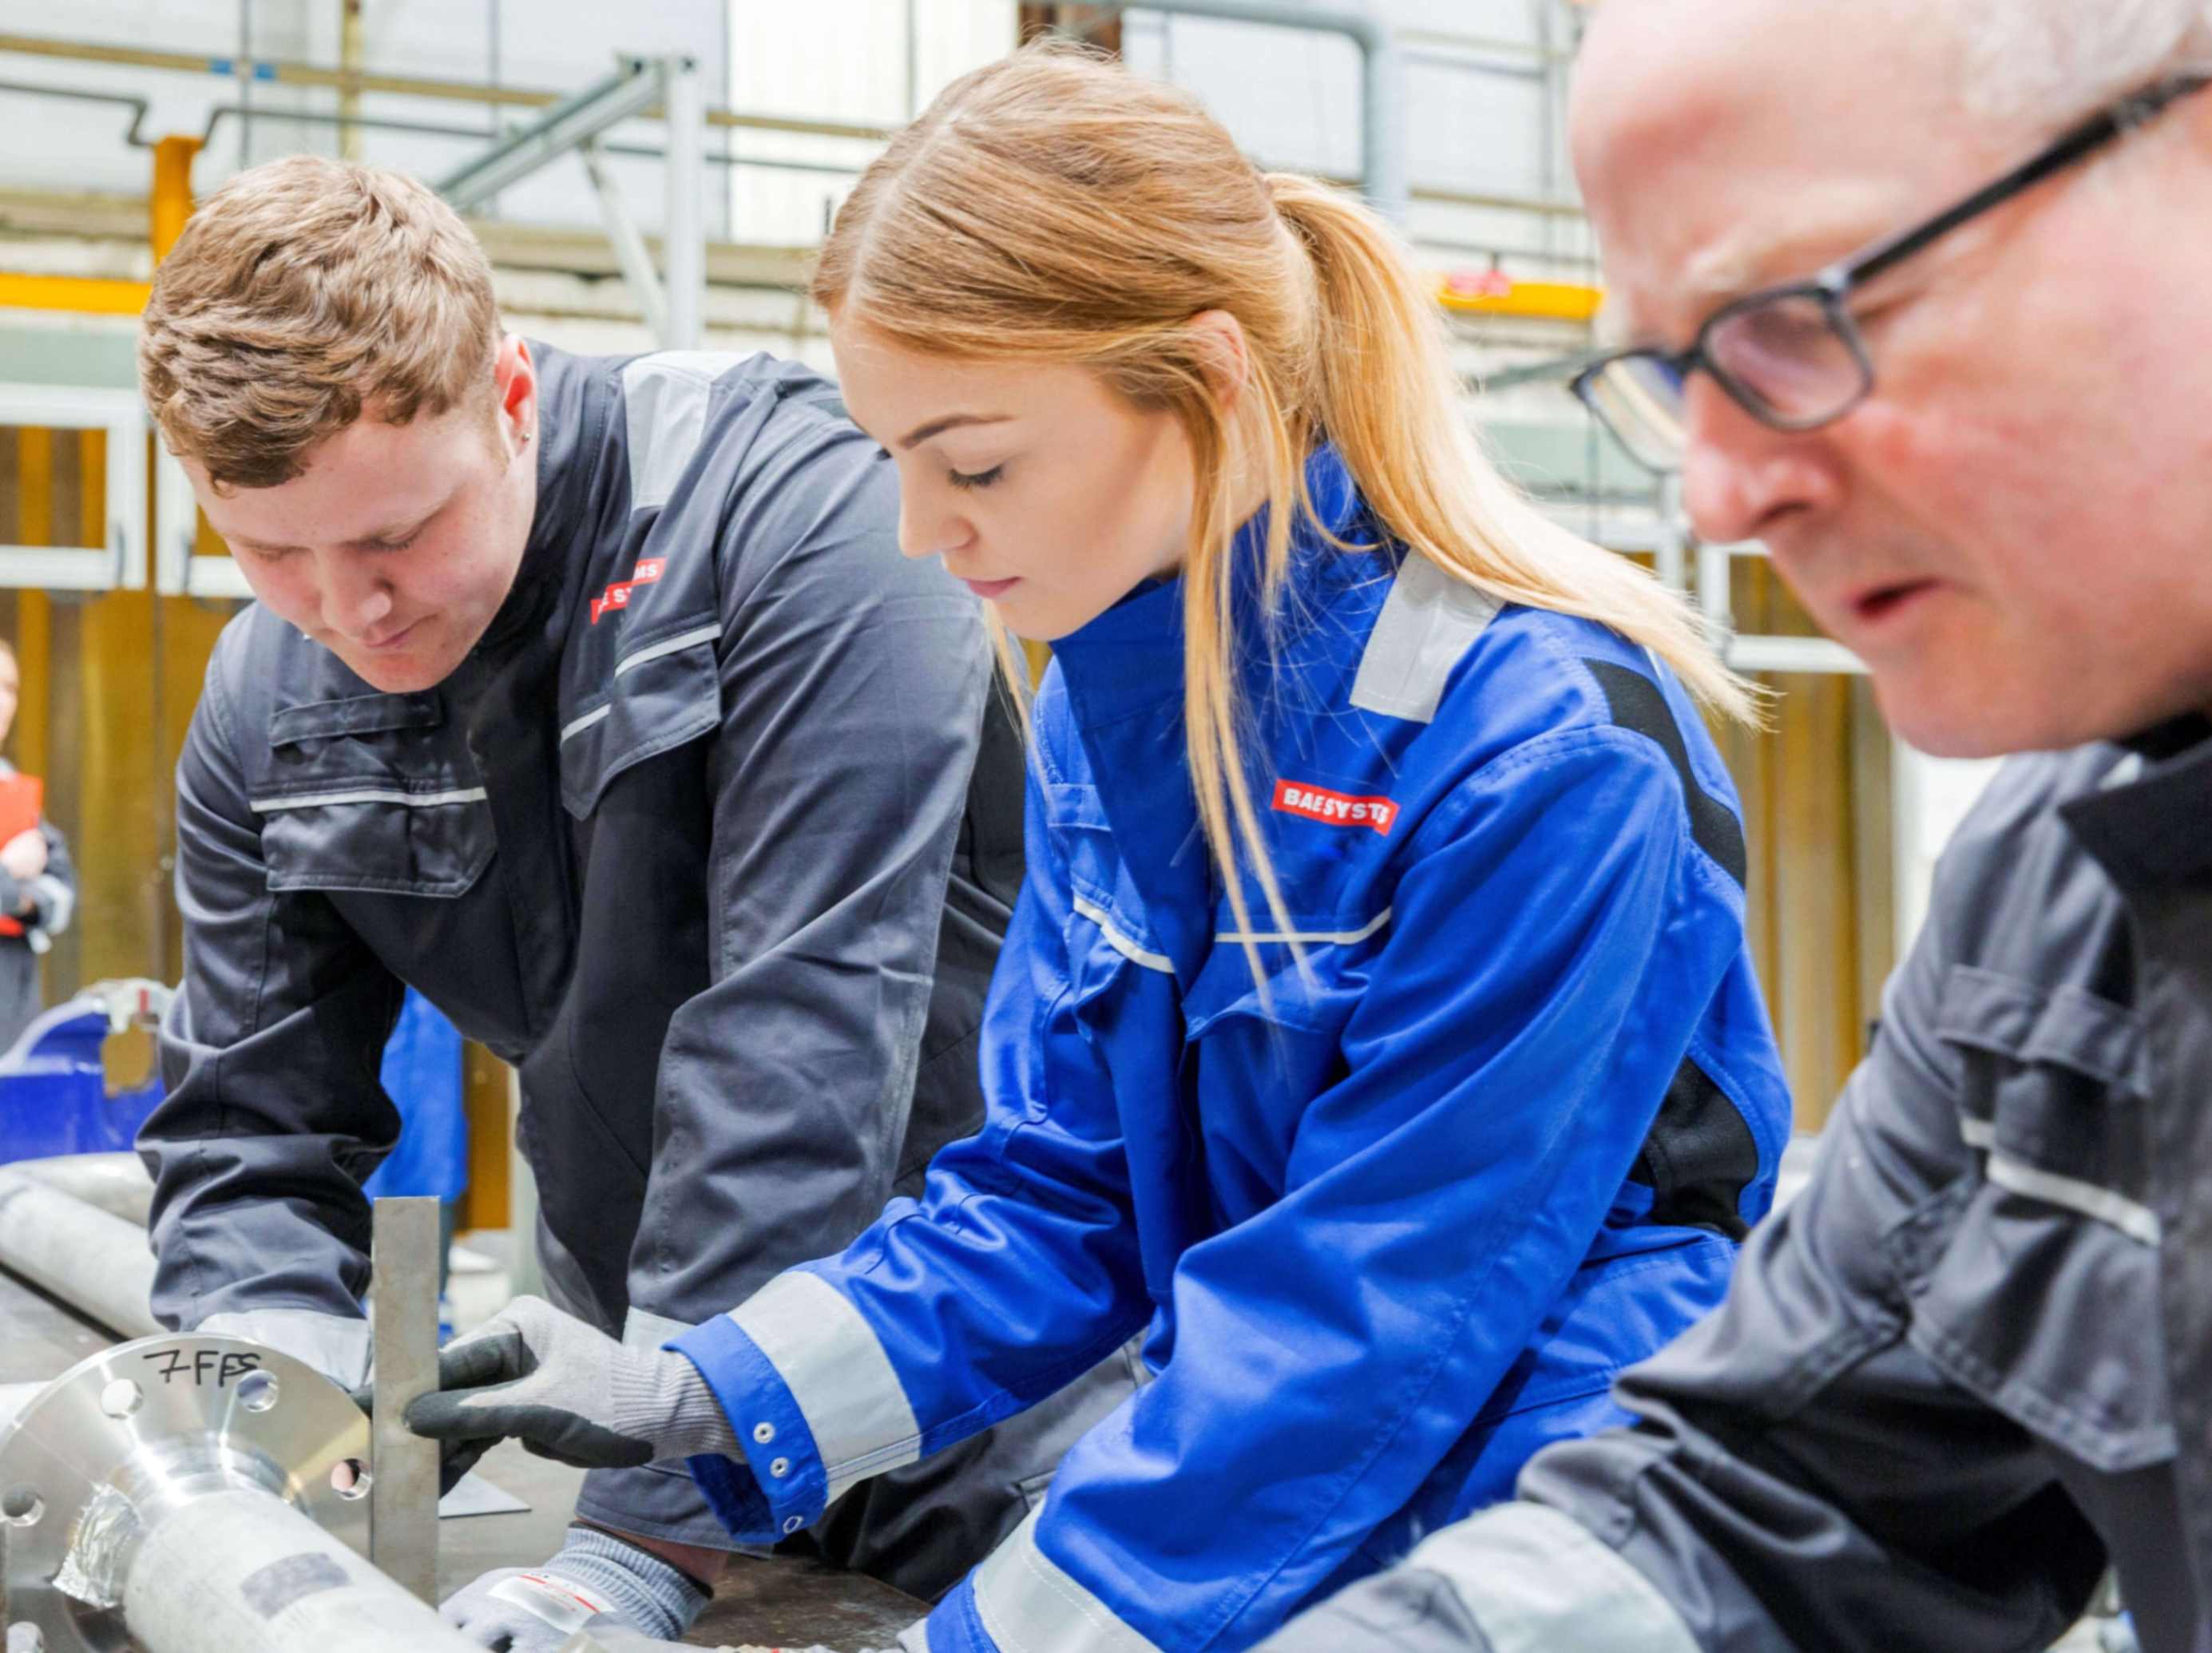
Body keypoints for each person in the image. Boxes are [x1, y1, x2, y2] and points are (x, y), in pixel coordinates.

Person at [402, 45, 1792, 1653]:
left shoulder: (1540, 754)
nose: (923, 535)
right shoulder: (1111, 711)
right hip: (1278, 1510)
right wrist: (701, 1390)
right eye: (893, 463)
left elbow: (1373, 1315)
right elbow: (1064, 1195)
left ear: (1202, 381)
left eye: (973, 463)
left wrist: (994, 1637)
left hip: (1538, 1543)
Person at [1257, 3, 2212, 1651]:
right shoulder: (2059, 893)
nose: (1714, 496)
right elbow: (1786, 1498)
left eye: (1791, 318)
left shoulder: (1541, 744)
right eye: (1672, 375)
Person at [135, 155, 1134, 1651]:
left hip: (996, 1396)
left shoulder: (805, 526)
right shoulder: (268, 697)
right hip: (633, 1376)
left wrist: (650, 1532)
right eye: (272, 551)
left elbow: (798, 1054)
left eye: (397, 535)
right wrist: (279, 1429)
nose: (352, 612)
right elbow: (248, 1125)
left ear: (511, 395)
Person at [0, 637, 73, 1050]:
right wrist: (9, 874)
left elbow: (62, 895)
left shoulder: (14, 792)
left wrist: (24, 903)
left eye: (10, 689)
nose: (3, 702)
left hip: (12, 1027)